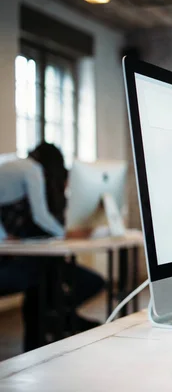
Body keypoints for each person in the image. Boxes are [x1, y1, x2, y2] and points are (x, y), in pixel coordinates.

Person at [0, 142, 105, 351]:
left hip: (27, 259)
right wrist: (64, 234)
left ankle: (54, 326)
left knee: (45, 273)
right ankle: (59, 324)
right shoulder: (32, 171)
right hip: (18, 263)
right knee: (42, 274)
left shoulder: (14, 169)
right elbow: (41, 216)